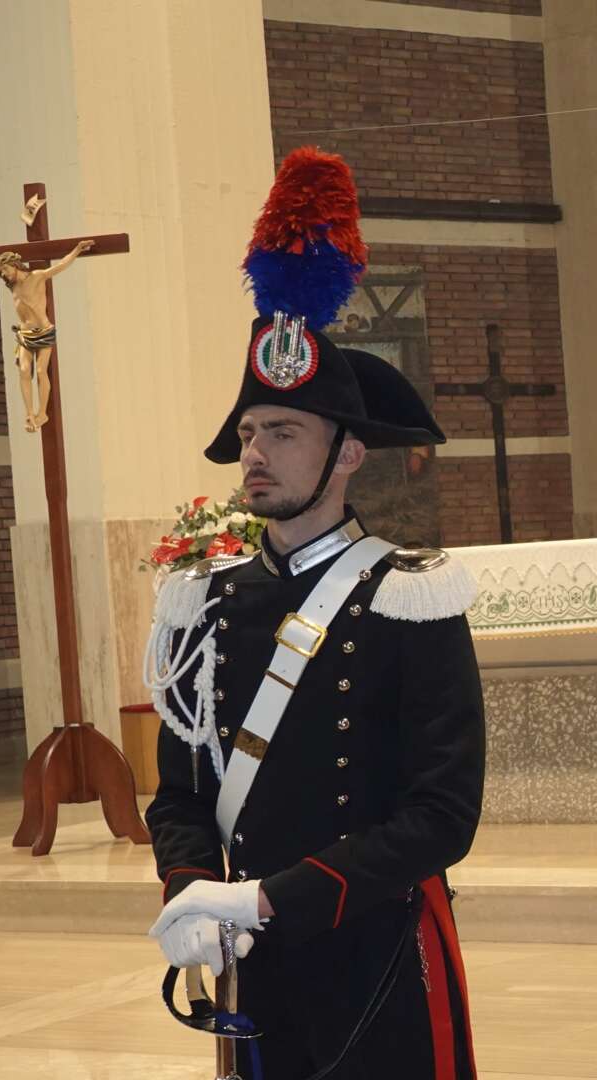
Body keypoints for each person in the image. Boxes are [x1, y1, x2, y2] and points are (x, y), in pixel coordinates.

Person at [143, 147, 484, 1078]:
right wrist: (193, 893)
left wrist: (267, 901)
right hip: (249, 963)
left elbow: (441, 816)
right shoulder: (200, 604)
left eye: (282, 433)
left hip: (376, 952)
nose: (255, 453)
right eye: (249, 433)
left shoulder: (409, 598)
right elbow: (179, 792)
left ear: (346, 457)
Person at [0, 238, 93, 432]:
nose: (3, 274)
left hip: (44, 331)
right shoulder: (12, 285)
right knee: (23, 371)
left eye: (5, 270)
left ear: (14, 266)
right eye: (2, 271)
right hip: (24, 333)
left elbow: (60, 266)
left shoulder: (37, 276)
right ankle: (29, 414)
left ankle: (42, 413)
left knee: (39, 371)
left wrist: (77, 250)